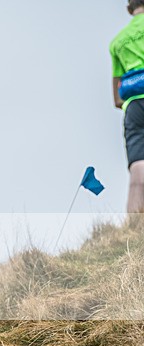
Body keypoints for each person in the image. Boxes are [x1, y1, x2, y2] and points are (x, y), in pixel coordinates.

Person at [111, 0, 144, 213]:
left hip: (133, 107)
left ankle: (133, 227)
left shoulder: (117, 42)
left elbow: (116, 98)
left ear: (128, 9)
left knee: (138, 166)